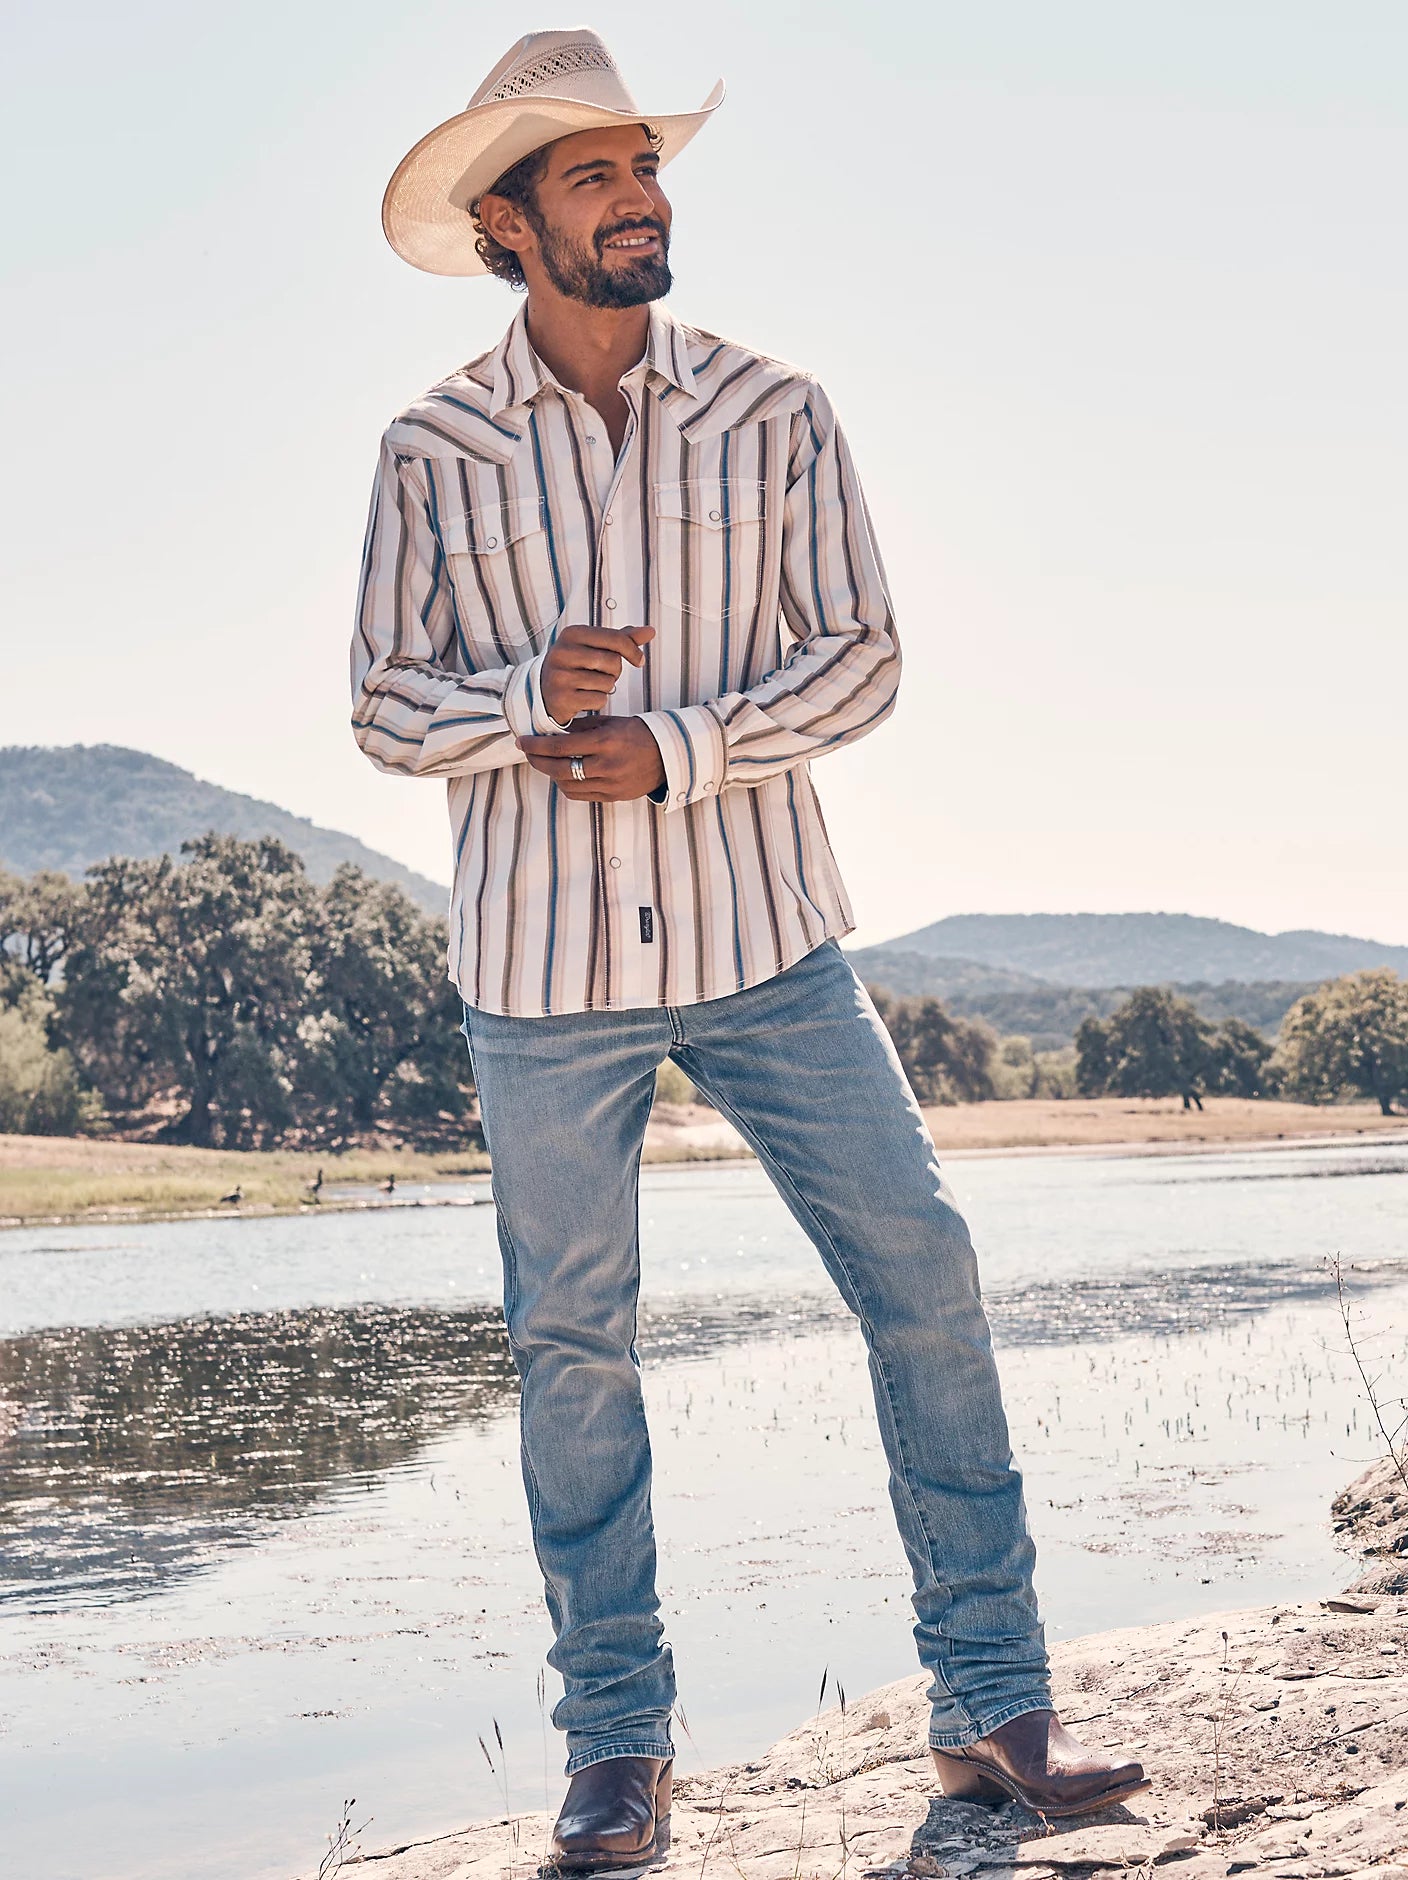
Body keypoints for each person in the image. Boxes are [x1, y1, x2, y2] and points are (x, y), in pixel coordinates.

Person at [355, 28, 1148, 1872]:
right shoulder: (429, 449)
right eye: (597, 175)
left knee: (923, 1267)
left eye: (647, 166)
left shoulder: (776, 410)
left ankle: (992, 1708)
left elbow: (863, 658)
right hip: (541, 972)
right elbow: (386, 706)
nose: (641, 198)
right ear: (507, 224)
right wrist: (517, 703)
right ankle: (617, 1756)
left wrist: (684, 746)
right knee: (575, 1348)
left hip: (768, 937)